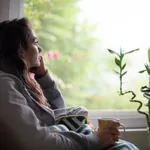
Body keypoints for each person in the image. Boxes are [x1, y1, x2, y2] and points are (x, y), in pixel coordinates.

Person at [0, 18, 138, 150]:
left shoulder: (17, 83)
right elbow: (36, 142)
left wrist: (43, 77)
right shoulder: (4, 85)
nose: (40, 49)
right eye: (35, 42)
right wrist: (95, 140)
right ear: (21, 50)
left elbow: (54, 116)